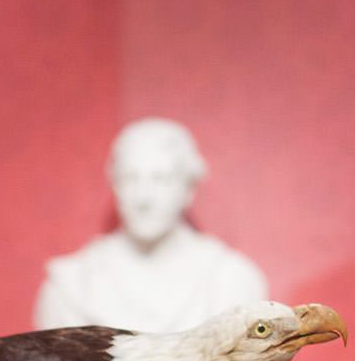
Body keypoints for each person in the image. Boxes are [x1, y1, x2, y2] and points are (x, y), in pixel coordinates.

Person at [33, 118, 267, 334]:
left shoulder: (231, 280)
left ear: (189, 189)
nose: (143, 198)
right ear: (114, 183)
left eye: (161, 179)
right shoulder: (72, 285)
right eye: (131, 178)